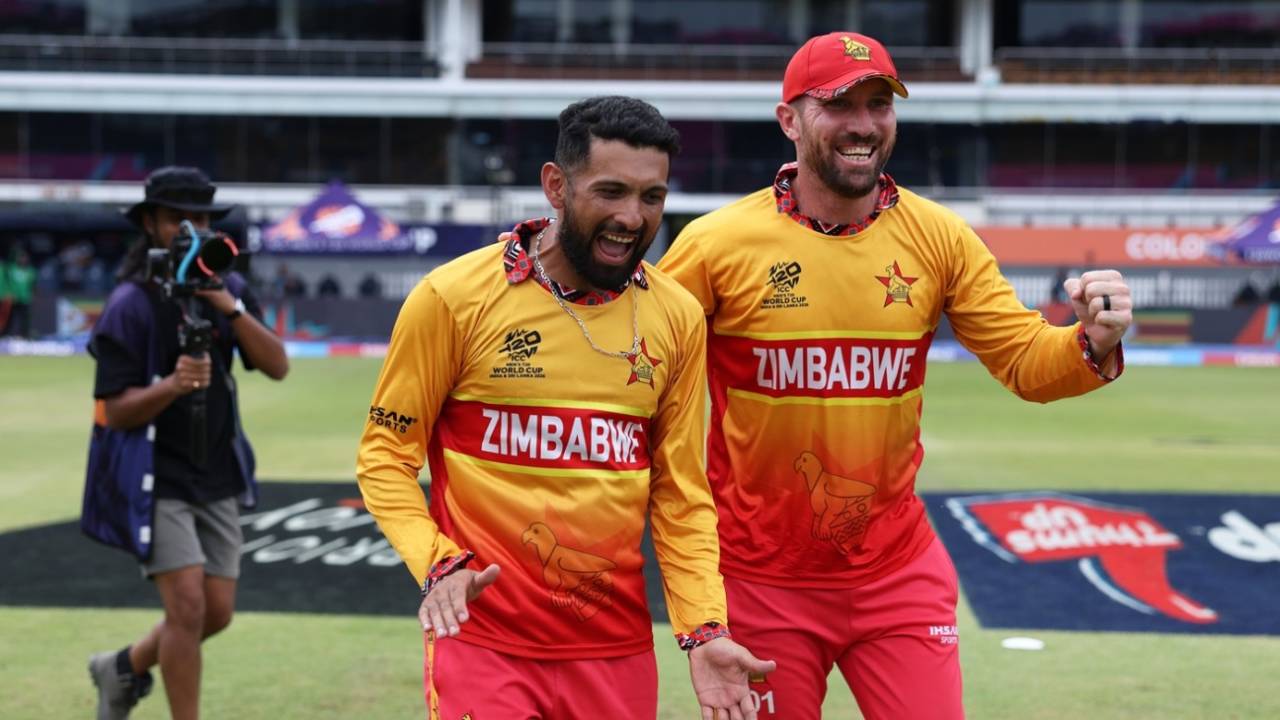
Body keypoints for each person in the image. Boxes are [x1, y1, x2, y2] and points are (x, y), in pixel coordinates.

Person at [657, 32, 1132, 719]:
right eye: (839, 105)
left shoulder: (940, 237)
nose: (863, 125)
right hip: (760, 581)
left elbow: (1026, 361)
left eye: (879, 104)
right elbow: (634, 358)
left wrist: (1092, 341)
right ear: (789, 119)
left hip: (896, 573)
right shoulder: (715, 244)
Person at [356, 96, 774, 720]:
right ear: (557, 185)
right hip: (484, 646)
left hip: (615, 655)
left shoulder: (678, 317)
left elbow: (681, 496)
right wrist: (437, 560)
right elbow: (385, 457)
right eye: (610, 192)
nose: (631, 218)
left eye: (651, 197)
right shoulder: (450, 298)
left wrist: (703, 628)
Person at [84, 166, 289, 720]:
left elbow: (277, 365)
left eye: (200, 218)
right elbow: (114, 411)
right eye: (177, 217)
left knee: (215, 612)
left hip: (216, 468)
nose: (190, 229)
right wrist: (172, 385)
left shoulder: (228, 285)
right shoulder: (130, 302)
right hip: (157, 473)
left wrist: (228, 305)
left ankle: (123, 666)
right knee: (187, 607)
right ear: (150, 223)